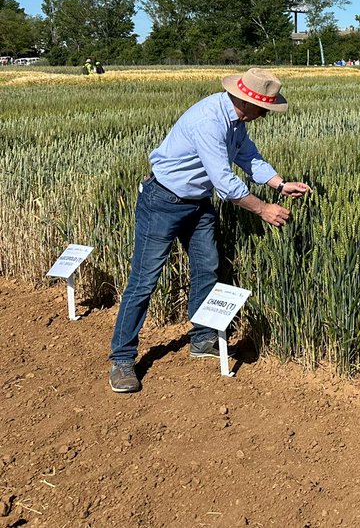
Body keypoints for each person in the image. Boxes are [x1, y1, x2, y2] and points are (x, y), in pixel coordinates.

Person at [108, 68, 312, 394]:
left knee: (207, 267)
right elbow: (225, 183)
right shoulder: (209, 121)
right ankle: (122, 358)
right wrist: (263, 209)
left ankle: (202, 339)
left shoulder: (236, 122)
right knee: (144, 280)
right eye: (264, 109)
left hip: (197, 202)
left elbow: (248, 157)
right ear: (247, 102)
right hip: (162, 202)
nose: (265, 115)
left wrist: (280, 184)